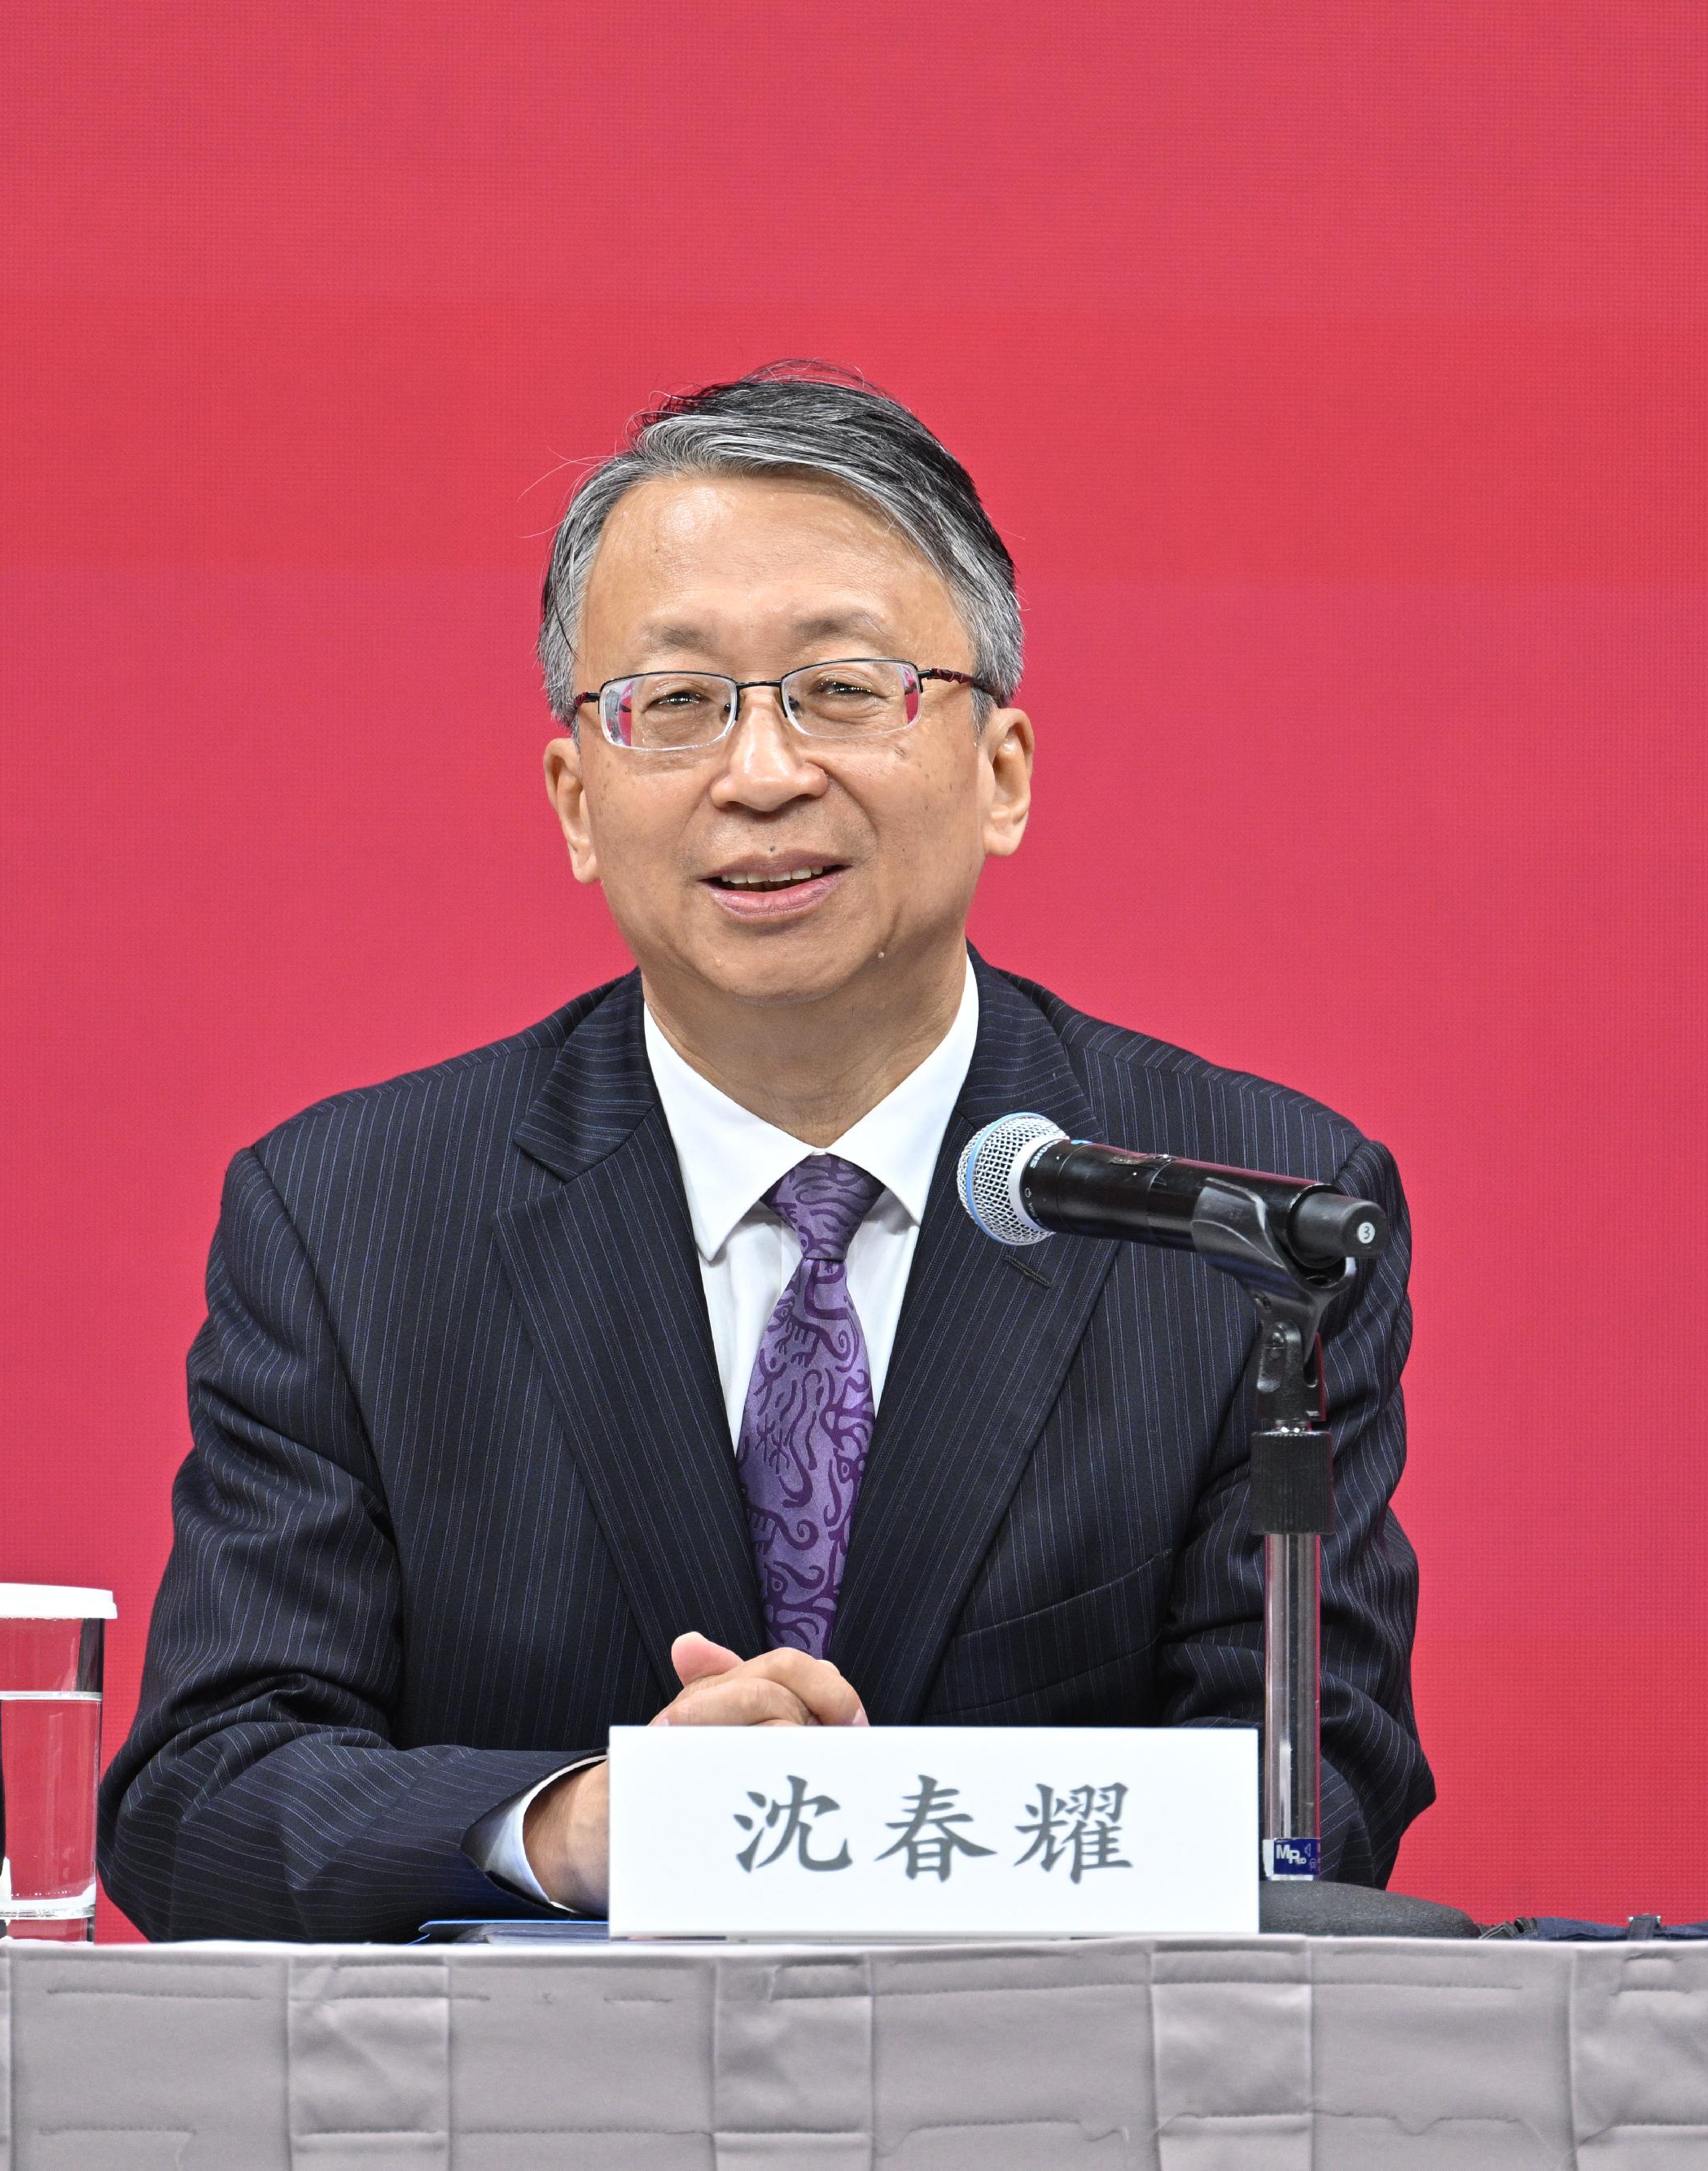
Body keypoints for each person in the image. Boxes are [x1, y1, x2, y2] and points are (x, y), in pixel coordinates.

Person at [97, 362, 1431, 1940]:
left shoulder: (1244, 1213)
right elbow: (203, 1795)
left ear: (999, 770)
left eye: (840, 688)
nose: (759, 771)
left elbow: (1312, 1796)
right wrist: (588, 1821)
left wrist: (846, 1840)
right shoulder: (349, 1221)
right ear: (574, 797)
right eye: (675, 703)